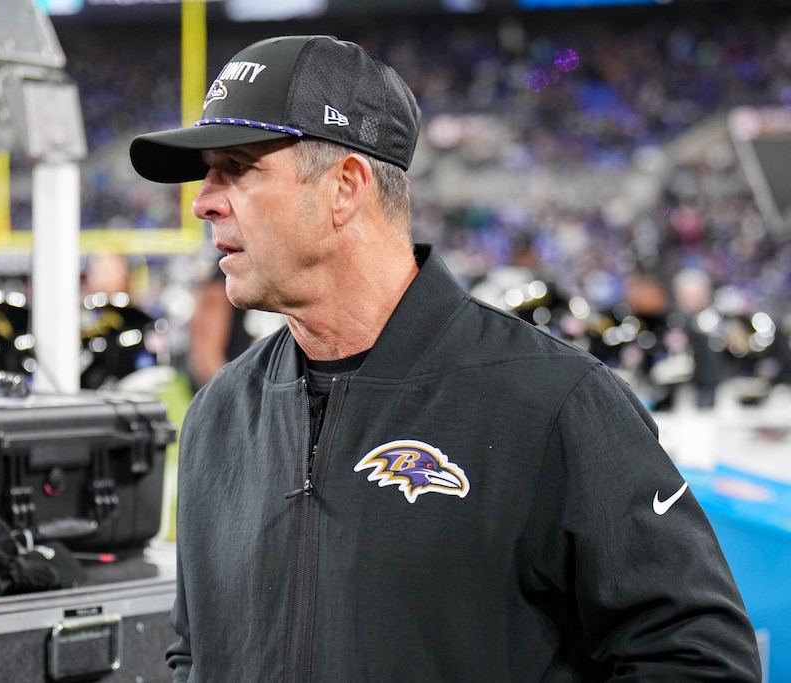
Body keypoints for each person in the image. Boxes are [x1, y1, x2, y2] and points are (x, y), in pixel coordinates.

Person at [129, 35, 761, 682]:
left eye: (236, 167)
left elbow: (700, 661)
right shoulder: (219, 416)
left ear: (346, 187)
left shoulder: (552, 402)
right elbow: (195, 653)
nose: (203, 200)